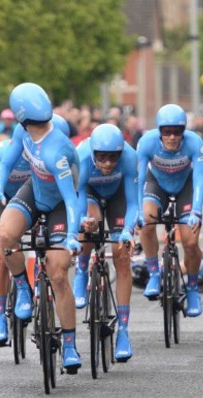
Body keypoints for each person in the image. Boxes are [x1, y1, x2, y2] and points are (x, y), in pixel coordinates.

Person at [0, 82, 82, 373]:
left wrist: (73, 236)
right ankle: (23, 288)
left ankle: (69, 344)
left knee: (58, 272)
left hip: (60, 206)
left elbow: (71, 199)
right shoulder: (22, 132)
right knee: (5, 236)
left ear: (19, 114)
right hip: (34, 192)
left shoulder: (57, 150)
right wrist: (0, 188)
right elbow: (6, 163)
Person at [0, 114, 70, 346]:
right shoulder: (5, 153)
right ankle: (0, 317)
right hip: (3, 199)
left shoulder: (48, 156)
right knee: (1, 250)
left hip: (34, 200)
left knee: (46, 245)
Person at [72, 123, 138, 361]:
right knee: (89, 224)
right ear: (93, 154)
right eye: (102, 158)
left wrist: (128, 231)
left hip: (118, 195)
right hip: (89, 193)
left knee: (121, 254)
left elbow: (133, 203)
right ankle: (81, 271)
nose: (108, 163)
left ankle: (123, 331)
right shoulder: (80, 156)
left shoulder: (130, 157)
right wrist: (82, 221)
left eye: (113, 158)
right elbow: (76, 197)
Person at [137, 104, 203, 317]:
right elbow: (138, 180)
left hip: (185, 186)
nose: (172, 137)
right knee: (147, 221)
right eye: (167, 132)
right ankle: (154, 274)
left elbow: (200, 179)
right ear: (159, 132)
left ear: (184, 131)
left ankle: (193, 288)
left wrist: (196, 211)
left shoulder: (195, 142)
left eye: (178, 131)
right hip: (156, 184)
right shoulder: (146, 143)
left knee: (191, 242)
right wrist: (137, 211)